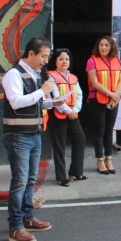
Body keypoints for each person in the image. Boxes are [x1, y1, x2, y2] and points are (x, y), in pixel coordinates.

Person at [2, 37, 61, 241]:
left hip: (34, 134)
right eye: (43, 56)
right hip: (18, 137)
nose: (46, 60)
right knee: (19, 182)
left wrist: (52, 102)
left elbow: (36, 102)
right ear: (31, 54)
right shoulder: (13, 75)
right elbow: (17, 102)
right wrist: (42, 91)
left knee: (29, 181)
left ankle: (28, 218)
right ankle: (15, 228)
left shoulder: (35, 75)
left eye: (47, 56)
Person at [47, 48, 87, 186]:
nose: (64, 61)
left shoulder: (73, 77)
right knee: (59, 146)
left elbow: (79, 95)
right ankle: (61, 177)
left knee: (80, 139)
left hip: (72, 114)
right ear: (55, 61)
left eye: (67, 59)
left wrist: (74, 110)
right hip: (58, 114)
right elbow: (54, 96)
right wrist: (66, 110)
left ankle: (76, 172)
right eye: (61, 59)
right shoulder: (50, 76)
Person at [86, 36, 121, 174]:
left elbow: (120, 81)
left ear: (111, 47)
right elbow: (95, 83)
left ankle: (109, 159)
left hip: (113, 100)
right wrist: (111, 94)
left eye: (106, 45)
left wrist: (115, 96)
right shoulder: (92, 61)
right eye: (101, 45)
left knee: (109, 130)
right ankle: (100, 161)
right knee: (99, 131)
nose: (103, 47)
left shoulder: (116, 60)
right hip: (97, 99)